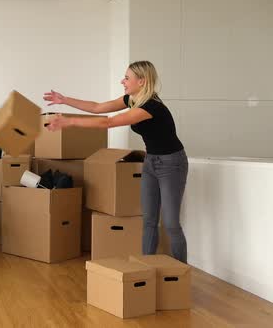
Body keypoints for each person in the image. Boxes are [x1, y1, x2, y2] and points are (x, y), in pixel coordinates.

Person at [43, 60, 188, 263]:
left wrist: (70, 122)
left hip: (172, 163)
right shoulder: (132, 99)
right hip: (151, 161)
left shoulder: (151, 107)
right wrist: (64, 100)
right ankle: (146, 268)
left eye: (127, 78)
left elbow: (108, 122)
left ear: (142, 81)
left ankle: (182, 272)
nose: (123, 81)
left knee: (171, 224)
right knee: (149, 220)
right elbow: (97, 108)